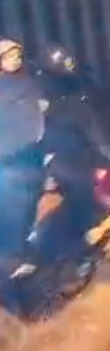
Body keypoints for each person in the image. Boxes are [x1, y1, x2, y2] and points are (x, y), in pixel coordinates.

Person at [0, 39, 48, 275]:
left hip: (32, 148)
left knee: (32, 197)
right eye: (9, 56)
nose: (15, 60)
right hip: (8, 155)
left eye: (17, 55)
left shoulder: (26, 81)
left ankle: (22, 245)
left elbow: (40, 105)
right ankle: (8, 257)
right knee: (12, 205)